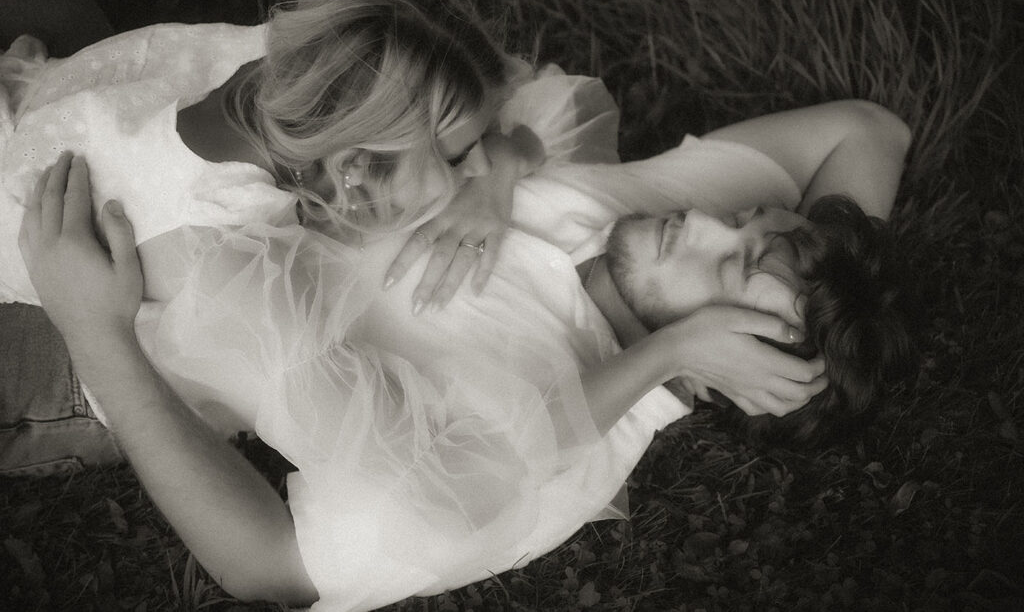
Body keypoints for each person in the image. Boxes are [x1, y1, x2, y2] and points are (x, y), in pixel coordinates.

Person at [17, 95, 909, 611]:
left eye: (735, 260)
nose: (713, 218)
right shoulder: (671, 226)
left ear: (725, 364)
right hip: (174, 149)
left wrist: (95, 331)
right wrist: (812, 282)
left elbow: (270, 566)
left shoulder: (546, 467)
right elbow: (871, 134)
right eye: (753, 218)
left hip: (86, 310)